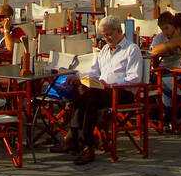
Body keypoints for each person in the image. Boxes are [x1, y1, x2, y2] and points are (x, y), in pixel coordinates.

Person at [52, 14, 143, 166]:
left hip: (121, 91)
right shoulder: (105, 50)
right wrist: (79, 77)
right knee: (84, 94)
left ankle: (73, 138)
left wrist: (111, 85)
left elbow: (134, 78)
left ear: (119, 31)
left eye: (109, 35)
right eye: (104, 36)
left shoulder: (131, 50)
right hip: (101, 91)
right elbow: (94, 71)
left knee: (87, 96)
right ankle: (86, 145)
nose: (107, 39)